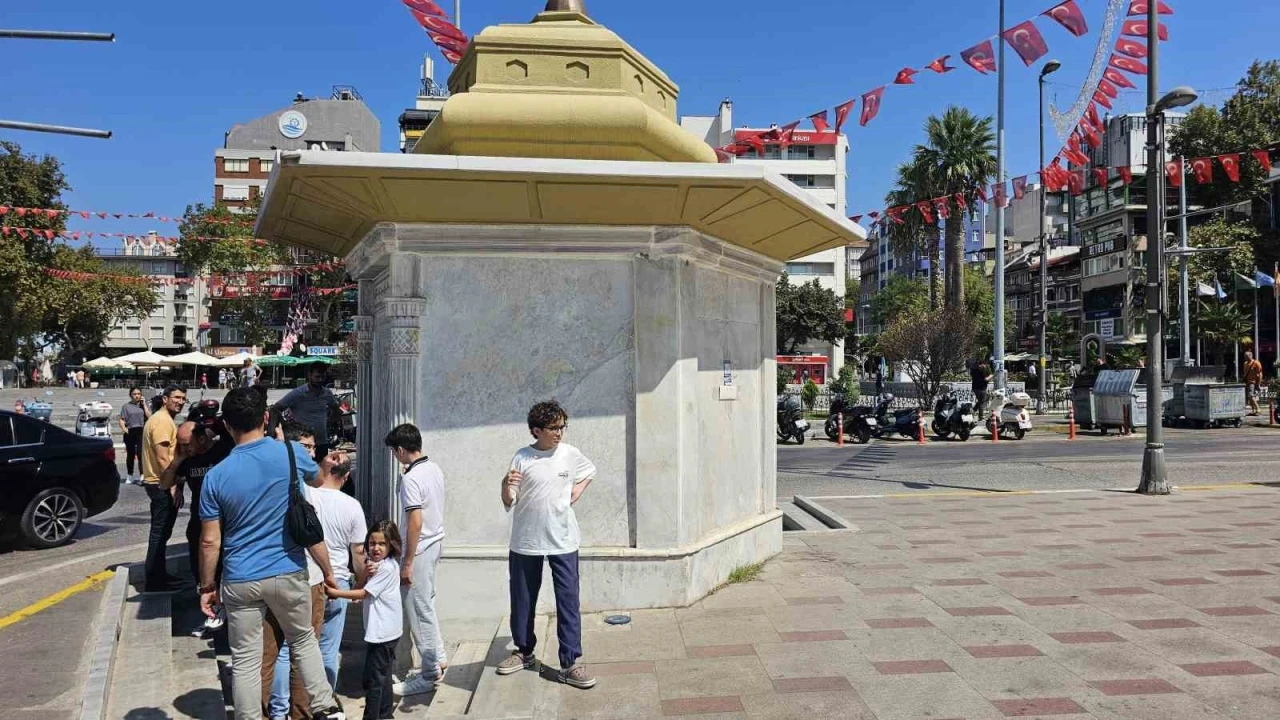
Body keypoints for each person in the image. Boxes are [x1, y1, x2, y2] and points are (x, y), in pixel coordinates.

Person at [196, 387, 345, 720]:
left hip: (240, 578)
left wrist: (207, 586)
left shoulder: (215, 476)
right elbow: (318, 481)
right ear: (265, 417)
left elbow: (209, 542)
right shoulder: (291, 452)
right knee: (303, 639)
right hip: (287, 569)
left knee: (246, 660)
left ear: (226, 426)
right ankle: (324, 706)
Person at [497, 400, 597, 689]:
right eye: (554, 428)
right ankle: (524, 652)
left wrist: (577, 490)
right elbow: (509, 498)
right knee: (522, 599)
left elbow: (589, 470)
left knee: (568, 601)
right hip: (526, 541)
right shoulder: (522, 457)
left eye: (562, 426)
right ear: (536, 430)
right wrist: (505, 485)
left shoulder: (570, 454)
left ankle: (570, 664)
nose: (559, 433)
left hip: (564, 540)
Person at [264, 423, 326, 720]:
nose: (311, 454)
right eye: (305, 448)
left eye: (313, 448)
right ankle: (296, 712)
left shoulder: (266, 480)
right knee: (301, 651)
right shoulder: (306, 487)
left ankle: (274, 712)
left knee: (270, 655)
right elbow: (313, 539)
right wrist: (329, 572)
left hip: (265, 576)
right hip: (304, 577)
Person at [383, 424, 447, 698]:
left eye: (394, 451)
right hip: (434, 543)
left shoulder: (412, 478)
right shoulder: (433, 468)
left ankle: (430, 672)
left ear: (400, 450)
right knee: (426, 606)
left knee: (418, 611)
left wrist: (407, 562)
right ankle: (439, 658)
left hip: (420, 549)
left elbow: (415, 522)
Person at [160, 402, 235, 634]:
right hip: (199, 521)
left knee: (224, 568)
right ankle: (212, 608)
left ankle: (225, 610)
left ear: (201, 438)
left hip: (226, 521)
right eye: (180, 444)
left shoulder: (223, 451)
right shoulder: (186, 458)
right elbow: (165, 483)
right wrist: (177, 460)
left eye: (187, 444)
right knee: (201, 570)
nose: (184, 448)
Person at [325, 522, 403, 720]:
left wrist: (334, 592)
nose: (376, 548)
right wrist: (365, 574)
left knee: (373, 681)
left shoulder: (387, 568)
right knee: (382, 677)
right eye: (372, 543)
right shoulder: (377, 566)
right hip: (385, 632)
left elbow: (362, 594)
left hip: (383, 634)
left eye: (382, 544)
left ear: (391, 545)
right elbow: (358, 593)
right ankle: (385, 715)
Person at [142, 384, 187, 592]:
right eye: (176, 397)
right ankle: (154, 581)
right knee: (159, 534)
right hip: (160, 484)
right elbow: (162, 459)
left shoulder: (164, 420)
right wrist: (173, 486)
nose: (180, 401)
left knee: (162, 533)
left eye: (183, 398)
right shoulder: (162, 422)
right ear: (165, 399)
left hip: (160, 483)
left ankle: (160, 575)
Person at [273, 362, 341, 462]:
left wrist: (330, 422)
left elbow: (336, 409)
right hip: (304, 444)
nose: (320, 380)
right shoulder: (298, 393)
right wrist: (287, 426)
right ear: (309, 375)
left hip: (321, 442)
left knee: (322, 470)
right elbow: (275, 409)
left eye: (323, 377)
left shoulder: (327, 393)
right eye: (317, 377)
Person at [119, 387, 152, 485]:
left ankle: (142, 475)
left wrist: (144, 404)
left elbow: (150, 417)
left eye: (139, 394)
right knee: (131, 454)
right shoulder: (126, 406)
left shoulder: (144, 405)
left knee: (141, 454)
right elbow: (122, 419)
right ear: (130, 395)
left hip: (141, 430)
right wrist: (125, 429)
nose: (137, 396)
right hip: (130, 430)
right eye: (134, 394)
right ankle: (130, 475)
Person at [1244, 350, 1264, 416]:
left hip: (1253, 382)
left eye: (1247, 356)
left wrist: (1259, 384)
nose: (1246, 358)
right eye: (1245, 356)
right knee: (1249, 397)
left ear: (1251, 356)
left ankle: (1258, 408)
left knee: (1251, 395)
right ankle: (1253, 410)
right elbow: (1245, 373)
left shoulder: (1256, 363)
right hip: (1247, 382)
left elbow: (1260, 374)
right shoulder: (1245, 363)